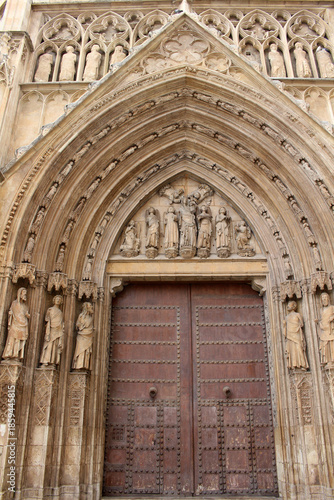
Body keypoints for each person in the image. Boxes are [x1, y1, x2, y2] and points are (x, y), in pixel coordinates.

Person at [2, 288, 30, 361]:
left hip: (23, 325)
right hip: (15, 324)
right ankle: (9, 355)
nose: (25, 295)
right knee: (12, 339)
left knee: (19, 340)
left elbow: (24, 314)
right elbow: (12, 312)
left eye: (25, 294)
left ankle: (15, 355)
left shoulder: (25, 306)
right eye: (24, 293)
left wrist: (27, 316)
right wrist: (11, 315)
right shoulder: (14, 303)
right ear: (19, 294)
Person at [283, 301, 309, 370]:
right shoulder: (286, 317)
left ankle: (302, 365)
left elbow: (302, 324)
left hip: (296, 333)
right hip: (290, 335)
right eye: (287, 304)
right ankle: (294, 365)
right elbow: (284, 330)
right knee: (292, 349)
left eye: (289, 304)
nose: (288, 306)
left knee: (299, 348)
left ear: (294, 306)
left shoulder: (297, 315)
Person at [40, 295, 64, 367]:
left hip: (58, 331)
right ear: (54, 300)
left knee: (54, 346)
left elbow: (60, 322)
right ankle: (45, 361)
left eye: (59, 300)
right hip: (51, 329)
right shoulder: (50, 310)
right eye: (57, 299)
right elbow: (47, 319)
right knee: (49, 345)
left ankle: (52, 362)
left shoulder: (60, 312)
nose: (58, 300)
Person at [72, 302, 94, 370]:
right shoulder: (81, 316)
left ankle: (84, 366)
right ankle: (79, 366)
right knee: (80, 350)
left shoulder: (91, 318)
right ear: (86, 307)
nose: (92, 307)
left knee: (86, 352)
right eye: (90, 306)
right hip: (82, 336)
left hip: (88, 336)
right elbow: (77, 324)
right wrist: (81, 326)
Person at [317, 292, 334, 365]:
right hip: (324, 329)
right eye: (323, 299)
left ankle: (332, 360)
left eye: (325, 298)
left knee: (331, 344)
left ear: (328, 299)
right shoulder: (321, 310)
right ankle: (327, 360)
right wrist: (318, 322)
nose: (324, 300)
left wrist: (332, 318)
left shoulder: (332, 308)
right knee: (325, 345)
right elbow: (321, 319)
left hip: (330, 329)